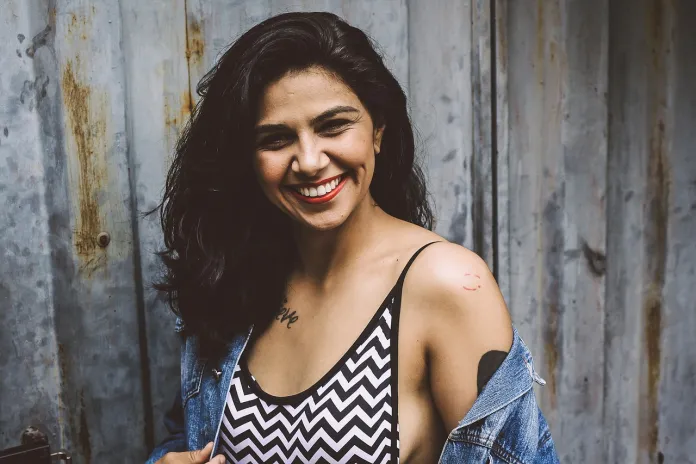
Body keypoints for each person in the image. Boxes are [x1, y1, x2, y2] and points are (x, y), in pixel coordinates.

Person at [145, 11, 559, 464]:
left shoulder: (445, 284)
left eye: (333, 126)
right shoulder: (233, 275)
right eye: (276, 139)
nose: (309, 160)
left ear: (377, 129)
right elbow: (186, 436)